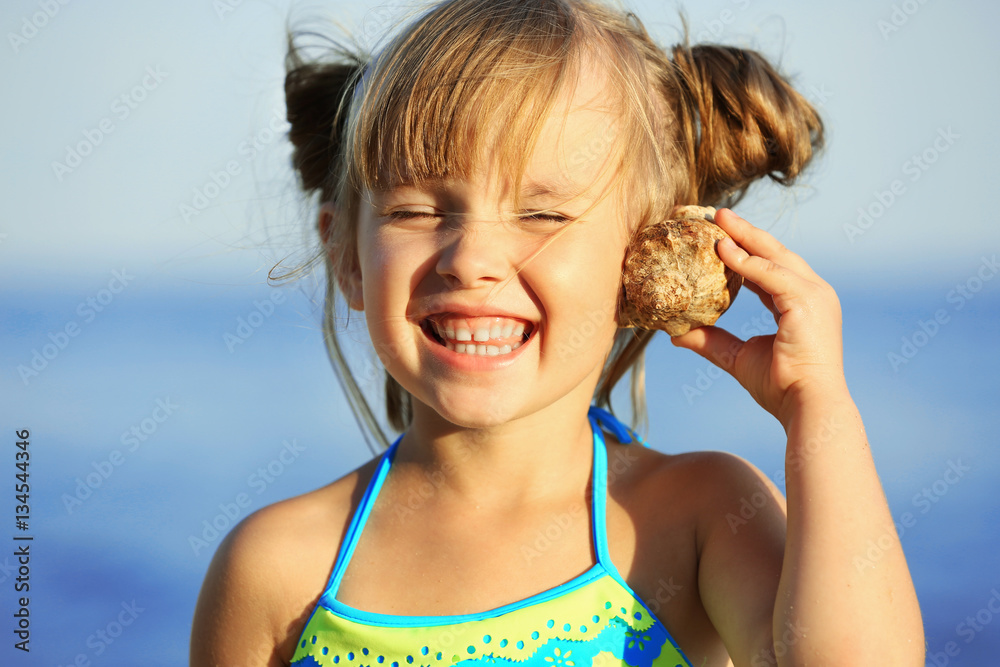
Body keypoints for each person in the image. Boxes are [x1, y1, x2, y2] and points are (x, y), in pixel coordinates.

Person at [190, 1, 924, 665]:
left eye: (542, 213)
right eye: (416, 210)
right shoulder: (278, 570)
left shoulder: (696, 518)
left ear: (643, 258)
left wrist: (817, 408)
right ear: (347, 256)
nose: (470, 259)